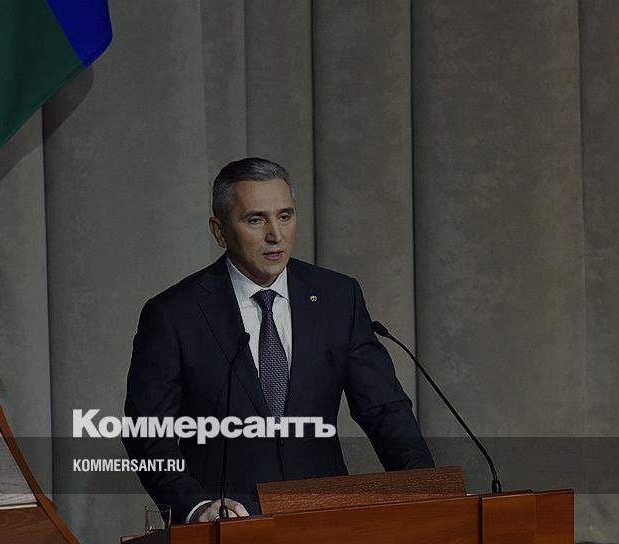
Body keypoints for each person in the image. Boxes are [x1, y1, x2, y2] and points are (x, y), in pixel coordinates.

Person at [123, 157, 434, 523]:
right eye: (256, 220)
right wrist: (195, 507)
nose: (275, 235)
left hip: (326, 518)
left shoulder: (337, 297)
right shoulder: (174, 313)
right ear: (220, 232)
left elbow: (385, 410)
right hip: (229, 524)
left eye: (285, 216)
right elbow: (148, 433)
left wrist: (429, 494)